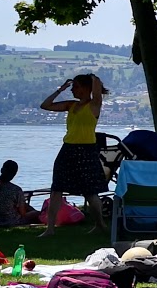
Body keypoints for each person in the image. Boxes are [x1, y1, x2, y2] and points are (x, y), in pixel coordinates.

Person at [38, 73, 108, 236]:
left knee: (91, 191)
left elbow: (96, 87)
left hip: (87, 150)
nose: (72, 90)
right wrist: (60, 90)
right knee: (56, 189)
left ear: (85, 88)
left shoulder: (94, 105)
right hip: (68, 149)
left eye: (75, 86)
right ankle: (50, 228)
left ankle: (100, 224)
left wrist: (92, 78)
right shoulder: (71, 105)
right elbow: (45, 105)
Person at [0, 161, 42, 227]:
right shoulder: (16, 190)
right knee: (37, 213)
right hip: (11, 221)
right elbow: (23, 213)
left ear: (1, 170)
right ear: (14, 174)